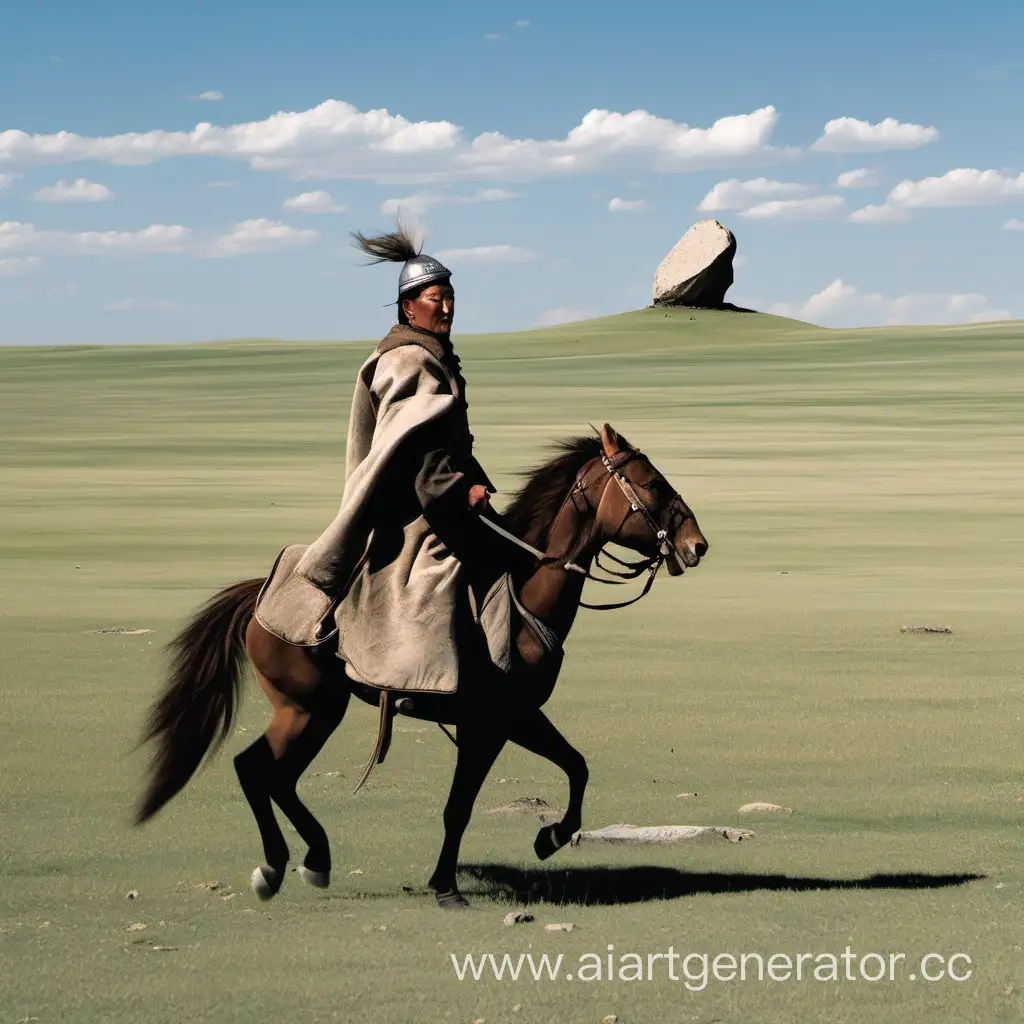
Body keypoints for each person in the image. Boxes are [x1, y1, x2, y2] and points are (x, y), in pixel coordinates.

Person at [254, 221, 535, 692]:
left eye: (449, 298)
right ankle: (428, 682)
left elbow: (447, 443)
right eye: (434, 299)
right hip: (414, 505)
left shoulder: (433, 356)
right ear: (409, 307)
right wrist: (461, 489)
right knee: (452, 570)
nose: (446, 308)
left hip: (438, 492)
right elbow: (418, 452)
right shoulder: (408, 361)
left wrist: (475, 480)